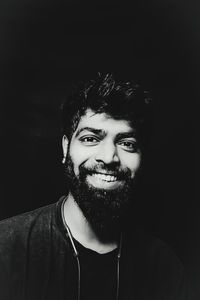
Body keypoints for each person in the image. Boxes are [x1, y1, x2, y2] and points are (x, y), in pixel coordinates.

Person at [0, 73, 188, 300]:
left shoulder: (165, 267)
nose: (109, 157)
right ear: (66, 147)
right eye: (90, 138)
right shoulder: (7, 248)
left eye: (127, 143)